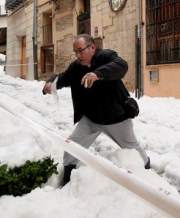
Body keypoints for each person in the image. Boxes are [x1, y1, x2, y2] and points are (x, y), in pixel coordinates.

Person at [43, 34, 150, 185]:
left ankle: (150, 175)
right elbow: (64, 77)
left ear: (92, 47)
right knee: (71, 149)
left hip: (115, 118)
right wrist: (51, 83)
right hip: (91, 119)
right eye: (75, 52)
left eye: (81, 50)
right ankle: (67, 184)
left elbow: (122, 66)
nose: (78, 55)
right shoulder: (76, 67)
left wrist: (97, 74)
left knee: (135, 150)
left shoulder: (106, 56)